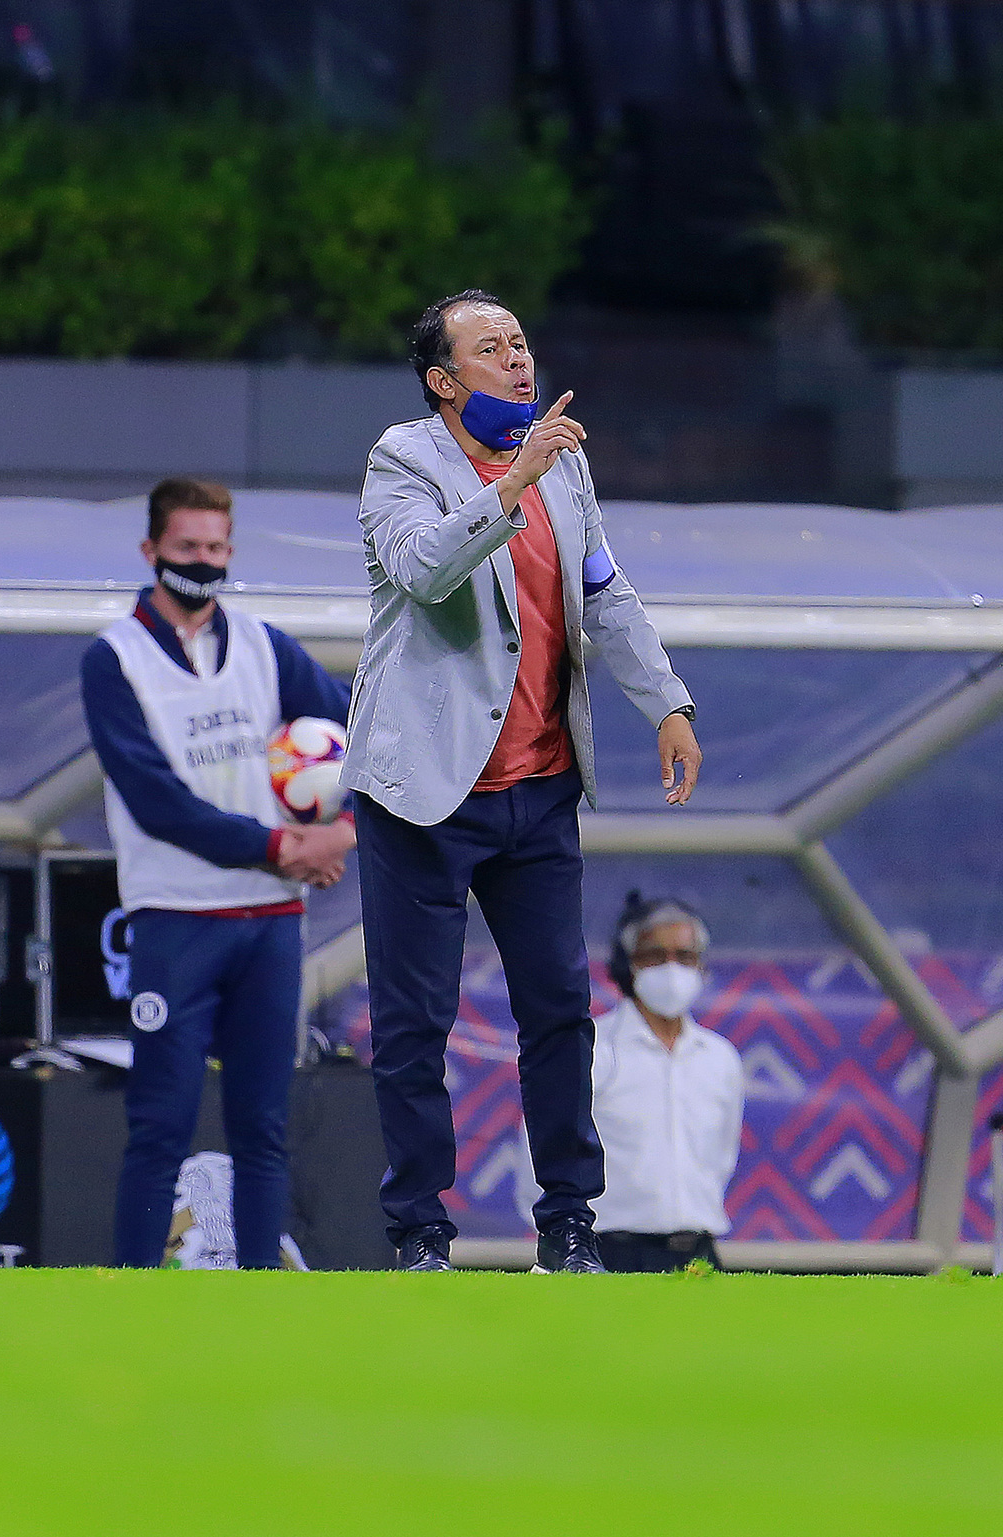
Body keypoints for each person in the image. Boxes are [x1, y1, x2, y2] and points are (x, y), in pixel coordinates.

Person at [342, 289, 702, 1273]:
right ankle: (420, 1233)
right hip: (425, 792)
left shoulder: (563, 463)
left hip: (539, 785)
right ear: (442, 381)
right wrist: (511, 483)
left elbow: (603, 589)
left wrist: (667, 704)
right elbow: (424, 570)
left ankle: (569, 1226)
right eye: (491, 349)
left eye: (520, 343)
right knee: (415, 1022)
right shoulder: (401, 461)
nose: (516, 360)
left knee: (558, 1010)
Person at [81, 477, 355, 1269]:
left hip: (270, 921)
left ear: (231, 550)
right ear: (151, 550)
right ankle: (136, 1298)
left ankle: (258, 1295)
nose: (203, 561)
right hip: (175, 917)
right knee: (159, 1123)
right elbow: (156, 800)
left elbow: (365, 735)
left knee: (263, 1127)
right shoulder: (115, 658)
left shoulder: (267, 646)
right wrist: (282, 847)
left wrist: (340, 830)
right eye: (187, 546)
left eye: (215, 547)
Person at [592, 894, 744, 1272]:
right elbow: (541, 1156)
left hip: (699, 1256)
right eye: (655, 956)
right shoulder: (591, 1049)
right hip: (610, 1254)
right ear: (628, 965)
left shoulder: (720, 1057)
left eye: (685, 957)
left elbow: (722, 1158)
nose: (672, 969)